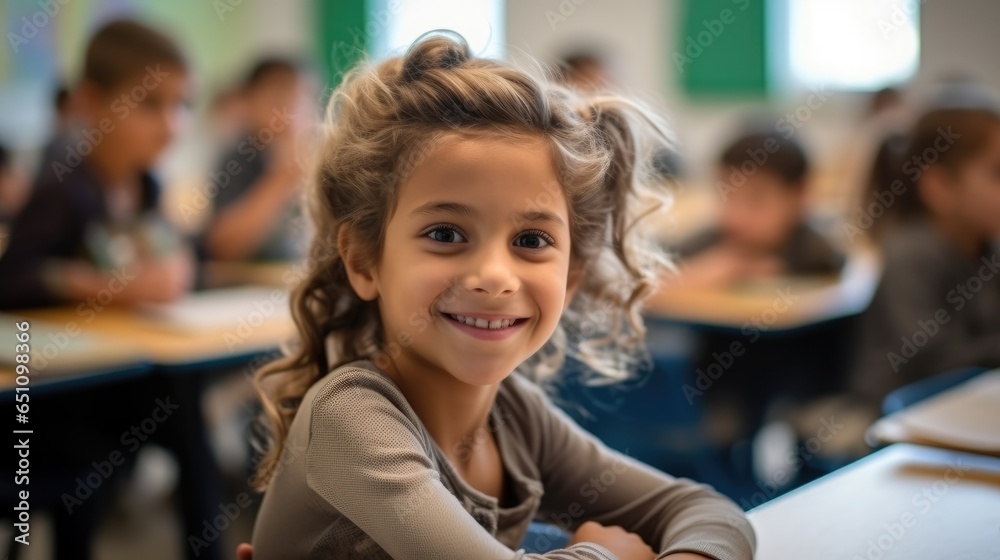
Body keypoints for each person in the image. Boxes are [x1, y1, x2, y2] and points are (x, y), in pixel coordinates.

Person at [247, 33, 754, 560]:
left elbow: (711, 514)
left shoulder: (515, 418)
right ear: (363, 261)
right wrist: (608, 555)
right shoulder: (351, 420)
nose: (494, 276)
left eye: (532, 241)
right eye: (445, 234)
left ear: (571, 275)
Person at [0, 20, 193, 310]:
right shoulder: (64, 187)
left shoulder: (148, 186)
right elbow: (12, 278)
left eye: (182, 104)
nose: (171, 126)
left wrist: (180, 266)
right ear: (90, 102)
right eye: (150, 104)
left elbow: (183, 257)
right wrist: (104, 286)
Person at [851, 103, 1000, 407]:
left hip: (963, 404)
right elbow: (933, 359)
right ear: (939, 186)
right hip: (892, 413)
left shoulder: (986, 248)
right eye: (998, 173)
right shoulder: (912, 255)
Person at [674, 132, 844, 288]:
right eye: (726, 195)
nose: (735, 216)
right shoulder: (716, 239)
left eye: (756, 199)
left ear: (800, 197)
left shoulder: (819, 253)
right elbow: (655, 272)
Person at [199, 57, 309, 262]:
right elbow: (222, 246)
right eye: (278, 100)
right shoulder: (239, 158)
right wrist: (282, 181)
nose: (291, 114)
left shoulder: (319, 157)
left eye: (300, 100)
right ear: (249, 104)